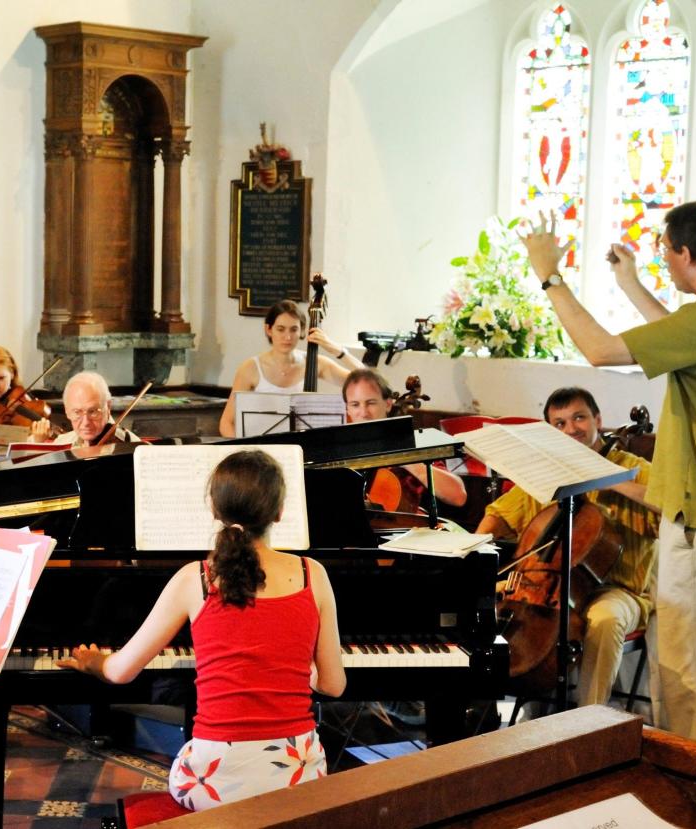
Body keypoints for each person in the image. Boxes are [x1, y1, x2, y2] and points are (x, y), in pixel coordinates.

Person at [521, 202, 696, 749]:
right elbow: (682, 335)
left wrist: (549, 274)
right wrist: (631, 284)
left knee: (693, 666)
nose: (663, 261)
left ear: (686, 253)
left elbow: (597, 351)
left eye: (665, 252)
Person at [59, 450, 345, 811]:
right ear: (279, 513)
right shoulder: (312, 573)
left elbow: (119, 671)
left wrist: (93, 662)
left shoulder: (193, 579)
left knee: (185, 771)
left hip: (214, 780)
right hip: (298, 776)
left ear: (214, 510)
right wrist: (303, 668)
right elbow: (334, 685)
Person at [475, 387, 659, 707]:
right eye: (559, 423)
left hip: (620, 590)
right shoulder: (548, 469)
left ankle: (587, 720)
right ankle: (483, 710)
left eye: (578, 418)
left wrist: (609, 479)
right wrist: (475, 549)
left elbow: (669, 505)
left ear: (597, 419)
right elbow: (500, 514)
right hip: (551, 585)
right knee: (477, 606)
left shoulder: (632, 467)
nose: (571, 429)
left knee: (605, 620)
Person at [219, 300, 365, 437]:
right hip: (263, 450)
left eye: (293, 329)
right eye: (281, 329)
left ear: (302, 331)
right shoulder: (250, 368)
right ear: (269, 330)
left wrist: (337, 350)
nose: (287, 337)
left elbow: (364, 380)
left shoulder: (315, 363)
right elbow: (226, 423)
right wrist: (247, 450)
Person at [342, 368, 467, 509]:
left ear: (388, 404)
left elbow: (458, 496)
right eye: (355, 404)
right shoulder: (340, 448)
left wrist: (409, 460)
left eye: (371, 403)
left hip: (403, 528)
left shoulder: (412, 442)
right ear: (347, 409)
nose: (363, 412)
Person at [50, 371, 141, 448]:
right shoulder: (61, 444)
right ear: (67, 411)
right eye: (77, 412)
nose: (86, 423)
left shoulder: (132, 447)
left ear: (108, 406)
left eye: (92, 411)